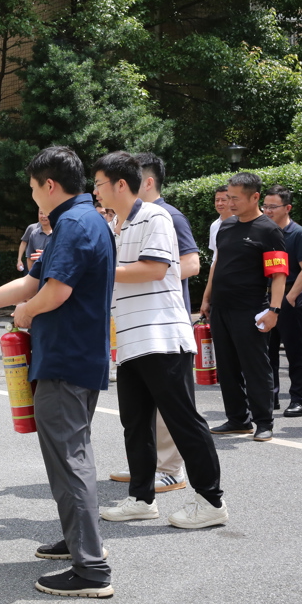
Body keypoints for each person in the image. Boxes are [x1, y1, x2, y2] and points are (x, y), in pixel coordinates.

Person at [0, 146, 113, 598]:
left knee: (70, 459)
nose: (33, 195)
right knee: (65, 457)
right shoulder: (79, 220)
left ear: (50, 185)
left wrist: (26, 312)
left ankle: (92, 568)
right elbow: (32, 282)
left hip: (67, 358)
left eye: (34, 187)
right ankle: (78, 541)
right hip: (72, 356)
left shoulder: (74, 224)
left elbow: (51, 293)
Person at [91, 151, 227, 529]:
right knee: (135, 424)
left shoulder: (156, 216)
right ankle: (141, 499)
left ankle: (211, 500)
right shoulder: (114, 226)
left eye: (99, 183)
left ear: (121, 184)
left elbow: (154, 268)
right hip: (130, 341)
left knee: (183, 421)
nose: (95, 191)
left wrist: (100, 270)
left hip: (161, 337)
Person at [106, 152, 202, 492]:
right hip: (134, 323)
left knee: (171, 409)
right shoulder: (122, 221)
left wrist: (145, 272)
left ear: (146, 181)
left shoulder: (166, 216)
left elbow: (190, 264)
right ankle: (146, 471)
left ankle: (171, 469)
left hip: (161, 323)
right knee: (140, 410)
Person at [201, 173, 287, 442]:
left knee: (255, 366)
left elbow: (278, 274)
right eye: (228, 197)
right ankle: (238, 419)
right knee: (227, 367)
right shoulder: (226, 226)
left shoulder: (268, 230)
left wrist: (274, 310)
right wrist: (206, 298)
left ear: (255, 197)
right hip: (221, 308)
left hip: (250, 310)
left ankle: (264, 422)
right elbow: (217, 264)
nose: (230, 203)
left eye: (235, 198)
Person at [262, 185, 302, 416]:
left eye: (273, 207)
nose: (267, 211)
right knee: (267, 352)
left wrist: (290, 297)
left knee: (295, 351)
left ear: (287, 208)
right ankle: (270, 397)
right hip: (266, 298)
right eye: (265, 206)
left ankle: (300, 400)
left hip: (290, 297)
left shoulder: (299, 233)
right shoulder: (264, 232)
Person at [208, 184, 231, 263]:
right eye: (217, 200)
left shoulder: (241, 223)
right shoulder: (214, 225)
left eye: (223, 200)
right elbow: (215, 254)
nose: (219, 203)